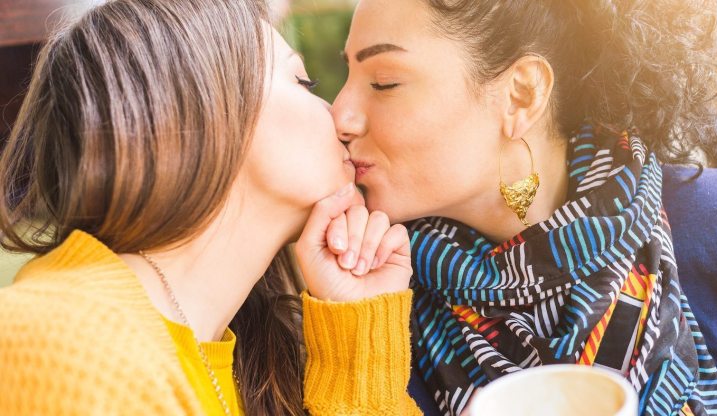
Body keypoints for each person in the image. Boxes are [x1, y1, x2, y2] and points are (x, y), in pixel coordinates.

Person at [331, 0, 717, 415]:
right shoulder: (377, 308)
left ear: (522, 94)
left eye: (383, 82)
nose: (340, 114)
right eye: (346, 77)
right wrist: (358, 338)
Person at [0, 0, 420, 414]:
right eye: (301, 81)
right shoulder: (65, 349)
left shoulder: (238, 362)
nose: (340, 117)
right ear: (199, 109)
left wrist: (357, 347)